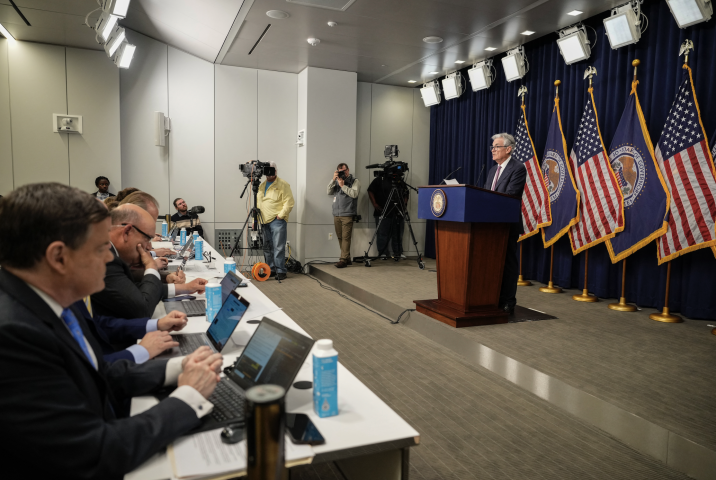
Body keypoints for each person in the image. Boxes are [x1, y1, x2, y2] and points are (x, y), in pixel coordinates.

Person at [0, 183, 223, 479]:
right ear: (58, 257)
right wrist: (188, 397)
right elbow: (94, 453)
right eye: (101, 248)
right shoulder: (14, 336)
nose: (110, 258)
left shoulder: (48, 300)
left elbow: (97, 373)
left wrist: (177, 366)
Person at [90, 204, 208, 319]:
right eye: (147, 239)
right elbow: (142, 308)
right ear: (126, 232)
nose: (149, 247)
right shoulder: (105, 259)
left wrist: (186, 288)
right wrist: (151, 267)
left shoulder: (113, 254)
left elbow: (134, 289)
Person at [484, 133, 527, 315]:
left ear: (508, 149)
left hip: (506, 224)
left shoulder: (518, 168)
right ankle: (491, 296)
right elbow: (486, 194)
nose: (493, 150)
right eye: (492, 147)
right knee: (490, 261)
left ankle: (509, 300)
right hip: (489, 224)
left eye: (496, 146)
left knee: (507, 262)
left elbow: (510, 195)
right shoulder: (493, 170)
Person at [257, 162, 294, 280]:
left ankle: (280, 270)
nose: (268, 173)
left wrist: (281, 216)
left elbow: (289, 202)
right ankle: (271, 269)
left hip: (276, 220)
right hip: (263, 220)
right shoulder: (262, 185)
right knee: (267, 247)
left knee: (278, 246)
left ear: (276, 171)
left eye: (271, 170)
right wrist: (255, 219)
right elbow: (258, 204)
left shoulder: (283, 184)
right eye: (266, 170)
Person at [327, 163, 361, 268]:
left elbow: (354, 194)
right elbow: (328, 191)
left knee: (346, 238)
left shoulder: (355, 181)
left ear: (348, 170)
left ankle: (342, 260)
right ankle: (347, 258)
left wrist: (343, 186)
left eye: (345, 171)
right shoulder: (336, 181)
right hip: (336, 214)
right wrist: (333, 180)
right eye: (340, 171)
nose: (343, 173)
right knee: (340, 237)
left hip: (347, 214)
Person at [367, 174, 407, 261]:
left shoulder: (399, 181)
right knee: (382, 234)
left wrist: (404, 205)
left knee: (398, 234)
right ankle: (383, 253)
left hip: (398, 212)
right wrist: (375, 204)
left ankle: (398, 253)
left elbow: (406, 193)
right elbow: (370, 191)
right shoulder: (379, 179)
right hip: (382, 211)